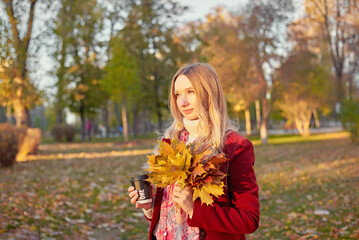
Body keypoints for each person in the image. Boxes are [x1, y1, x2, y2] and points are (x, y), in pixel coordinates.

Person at [128, 63, 259, 240]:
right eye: (177, 94)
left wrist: (194, 209)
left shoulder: (234, 146)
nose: (182, 102)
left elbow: (248, 220)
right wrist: (151, 207)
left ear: (209, 92)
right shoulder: (171, 142)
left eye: (190, 92)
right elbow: (167, 215)